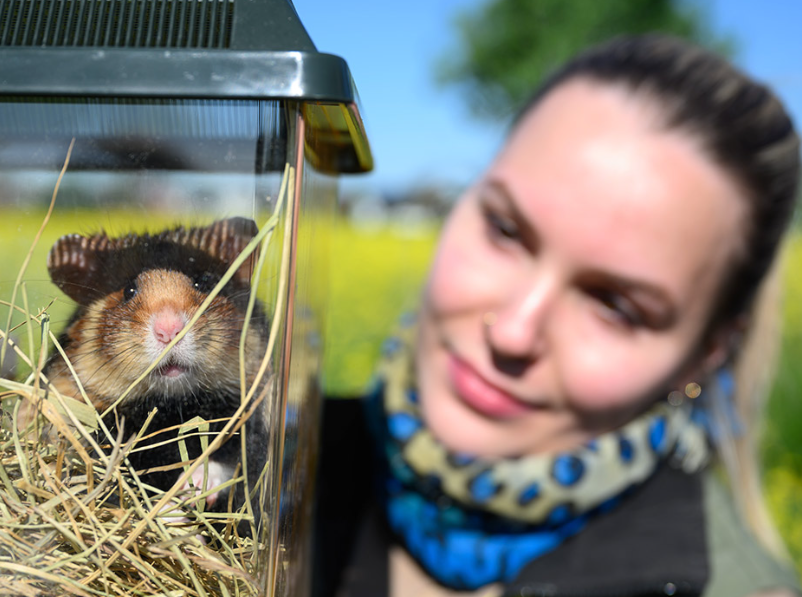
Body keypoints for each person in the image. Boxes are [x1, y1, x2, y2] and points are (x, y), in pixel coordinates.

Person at [313, 34, 801, 597]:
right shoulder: (258, 470)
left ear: (704, 355)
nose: (514, 333)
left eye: (615, 306)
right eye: (505, 230)